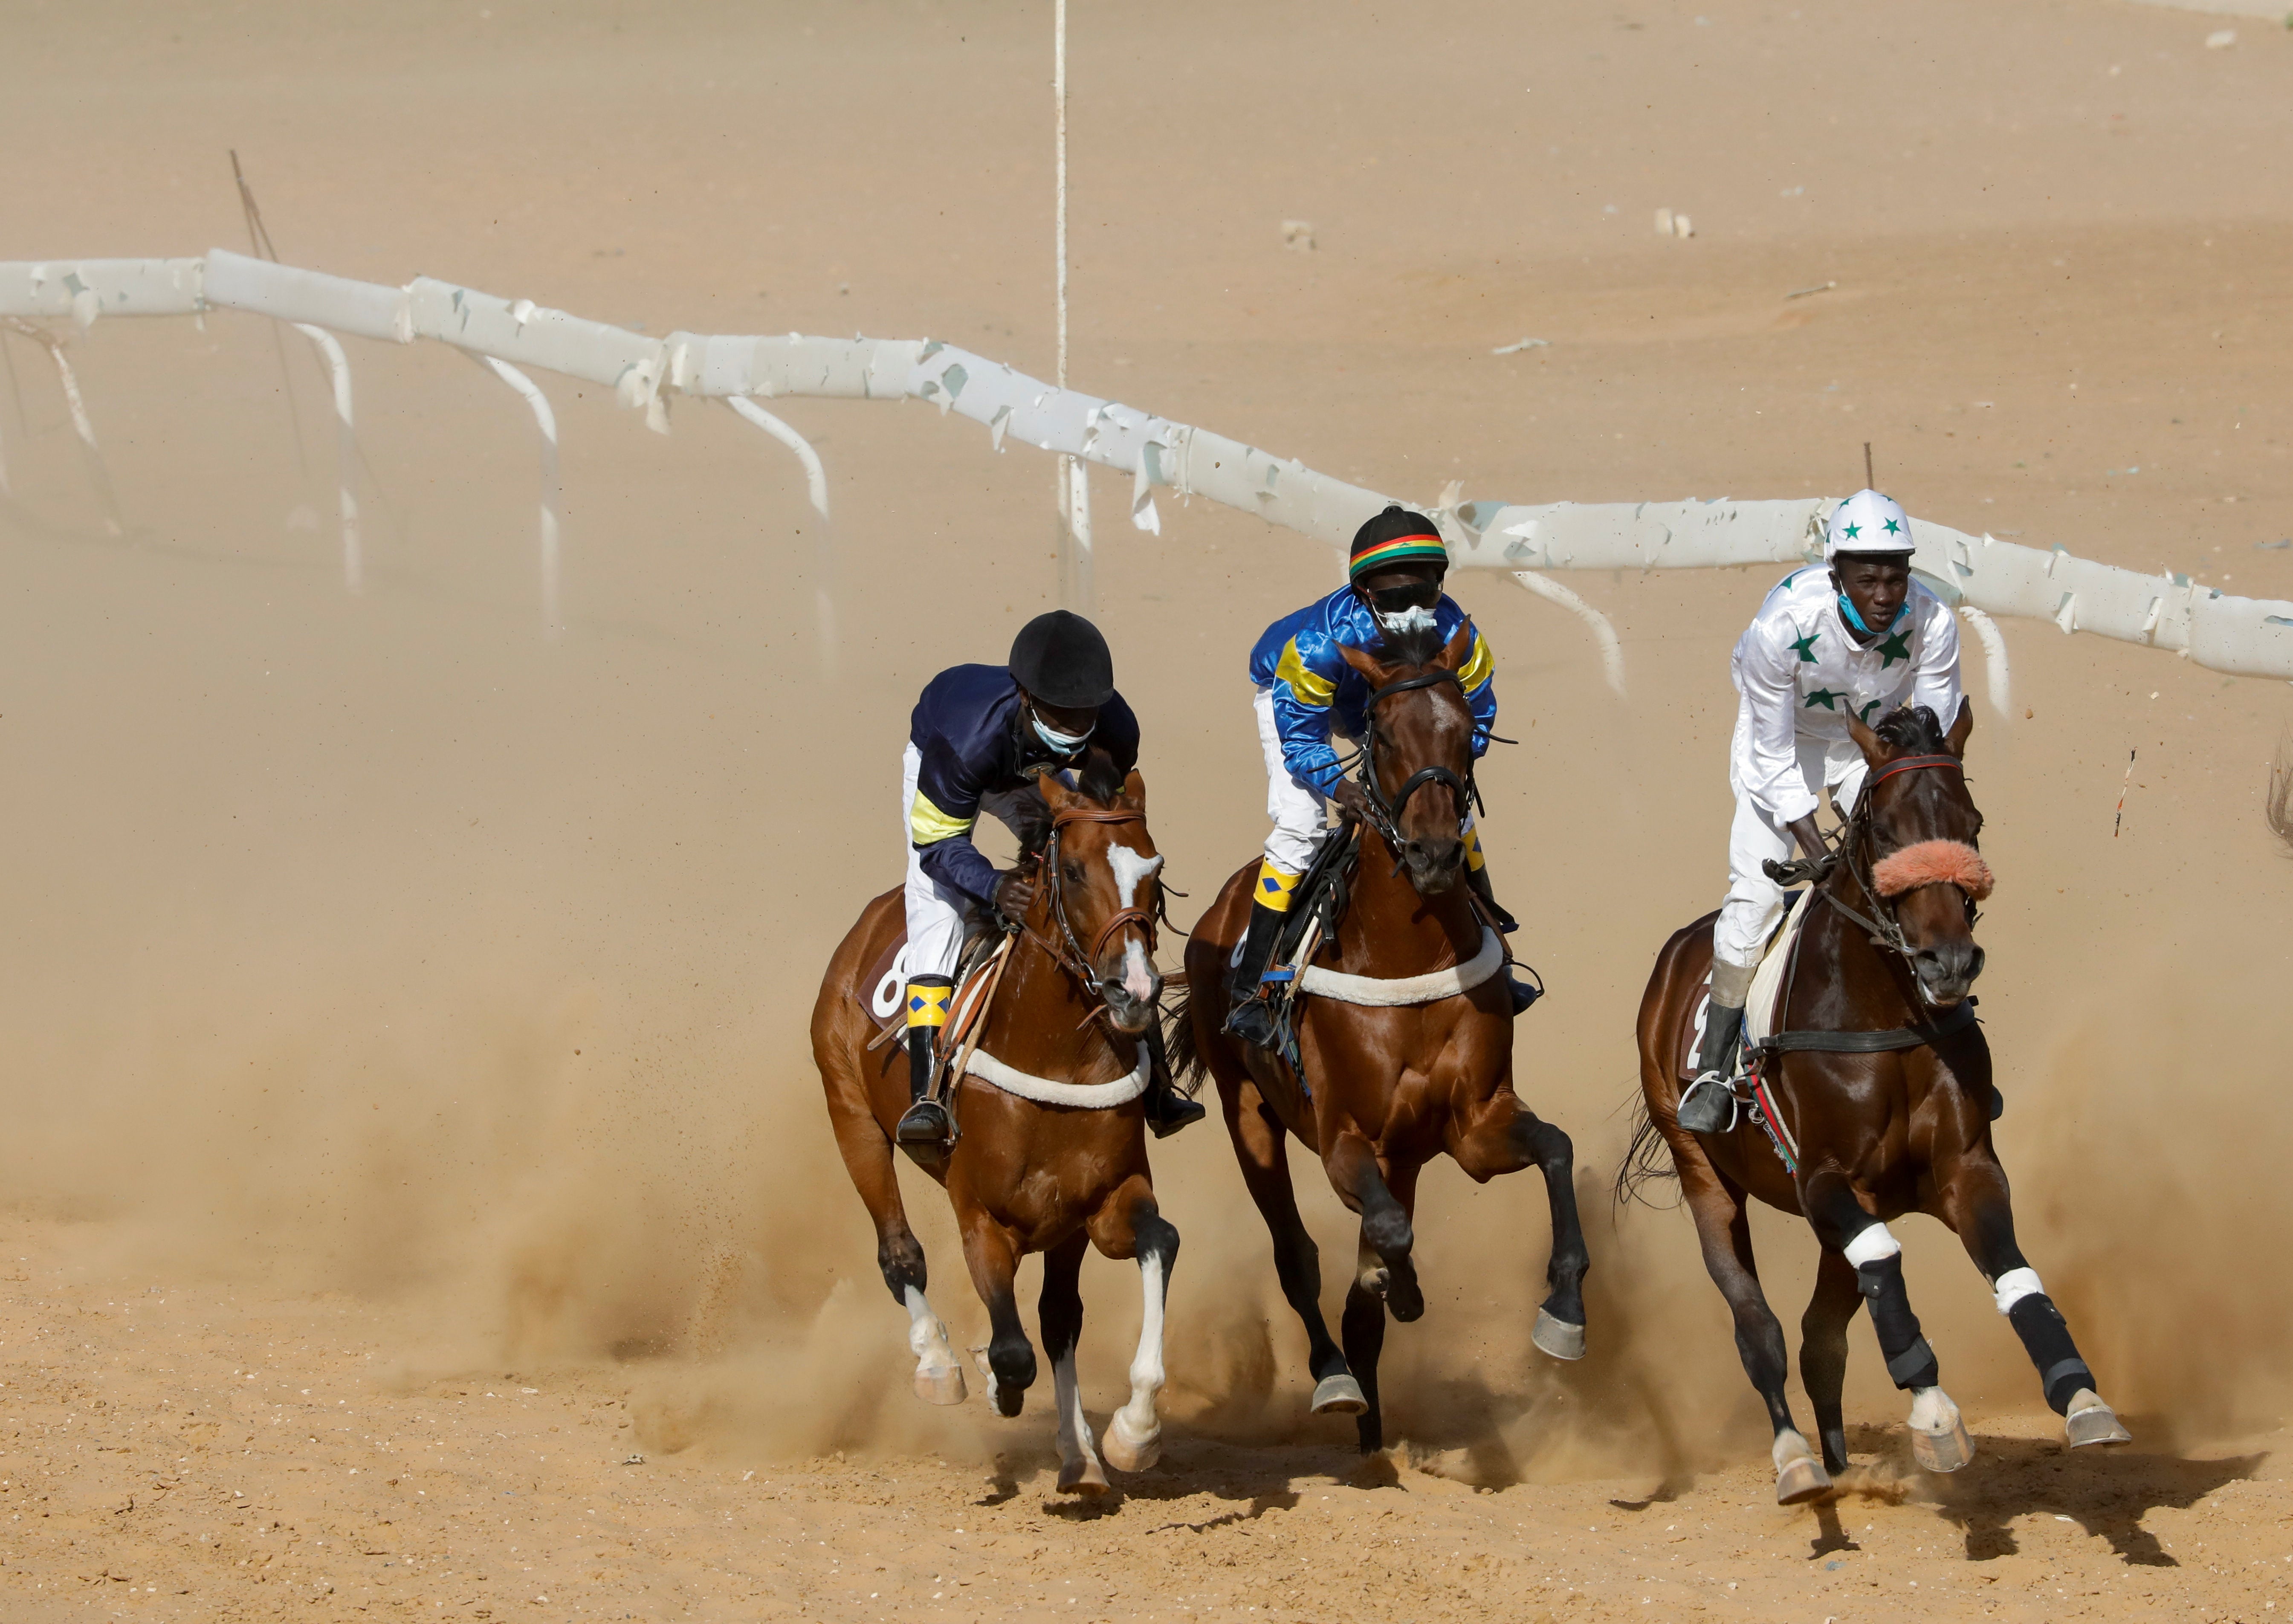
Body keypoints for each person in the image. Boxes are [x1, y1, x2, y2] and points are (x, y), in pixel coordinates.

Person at [1675, 489, 1965, 1135]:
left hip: (1877, 743)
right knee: (1755, 897)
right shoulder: (1781, 627)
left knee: (1921, 879)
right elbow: (1770, 753)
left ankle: (1945, 1029)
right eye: (1867, 580)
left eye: (1896, 577)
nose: (1885, 595)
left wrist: (1923, 802)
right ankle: (1714, 1065)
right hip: (1786, 746)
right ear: (1836, 574)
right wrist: (1811, 843)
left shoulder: (1934, 619)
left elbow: (1938, 727)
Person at [1225, 505, 1535, 1051]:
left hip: (1393, 701)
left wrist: (1440, 775)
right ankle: (1250, 990)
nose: (1413, 609)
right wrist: (1345, 791)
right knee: (1301, 826)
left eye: (1425, 593)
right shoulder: (1319, 644)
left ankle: (1495, 949)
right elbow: (1300, 737)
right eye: (1394, 598)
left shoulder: (1458, 633)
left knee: (1447, 810)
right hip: (1300, 698)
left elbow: (1477, 718)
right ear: (1363, 592)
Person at [895, 610, 1204, 1148]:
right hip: (954, 770)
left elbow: (1103, 831)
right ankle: (927, 1094)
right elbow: (937, 846)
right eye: (1060, 716)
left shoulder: (1115, 726)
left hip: (1031, 773)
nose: (1073, 730)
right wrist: (993, 887)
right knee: (937, 906)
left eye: (1084, 716)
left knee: (1091, 881)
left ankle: (1155, 1075)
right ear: (1024, 698)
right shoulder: (963, 740)